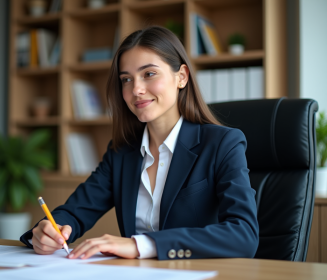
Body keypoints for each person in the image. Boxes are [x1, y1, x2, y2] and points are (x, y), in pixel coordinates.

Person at [20, 26, 259, 260]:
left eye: (149, 74)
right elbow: (75, 211)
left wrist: (141, 246)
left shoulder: (222, 144)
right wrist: (49, 231)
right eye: (126, 79)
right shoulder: (122, 152)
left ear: (182, 77)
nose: (136, 89)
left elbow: (244, 235)